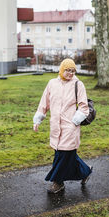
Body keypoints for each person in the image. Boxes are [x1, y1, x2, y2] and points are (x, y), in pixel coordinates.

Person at [33, 58, 93, 194]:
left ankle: (57, 183)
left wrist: (75, 121)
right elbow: (44, 103)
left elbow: (84, 108)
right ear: (61, 70)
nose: (71, 73)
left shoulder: (78, 84)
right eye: (68, 70)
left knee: (62, 155)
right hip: (55, 127)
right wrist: (37, 120)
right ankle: (85, 171)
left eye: (73, 71)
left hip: (70, 127)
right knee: (68, 155)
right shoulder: (52, 84)